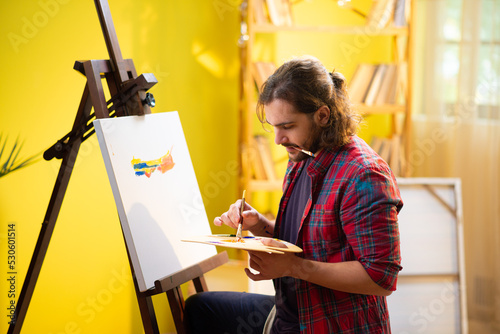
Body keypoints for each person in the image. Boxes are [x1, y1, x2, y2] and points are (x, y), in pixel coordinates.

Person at [184, 56, 403, 333]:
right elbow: (312, 240)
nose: (278, 140)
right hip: (290, 312)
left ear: (322, 116)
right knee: (200, 308)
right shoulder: (302, 153)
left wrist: (294, 268)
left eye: (287, 126)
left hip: (330, 323)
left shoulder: (364, 175)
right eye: (274, 127)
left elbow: (381, 277)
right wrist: (260, 225)